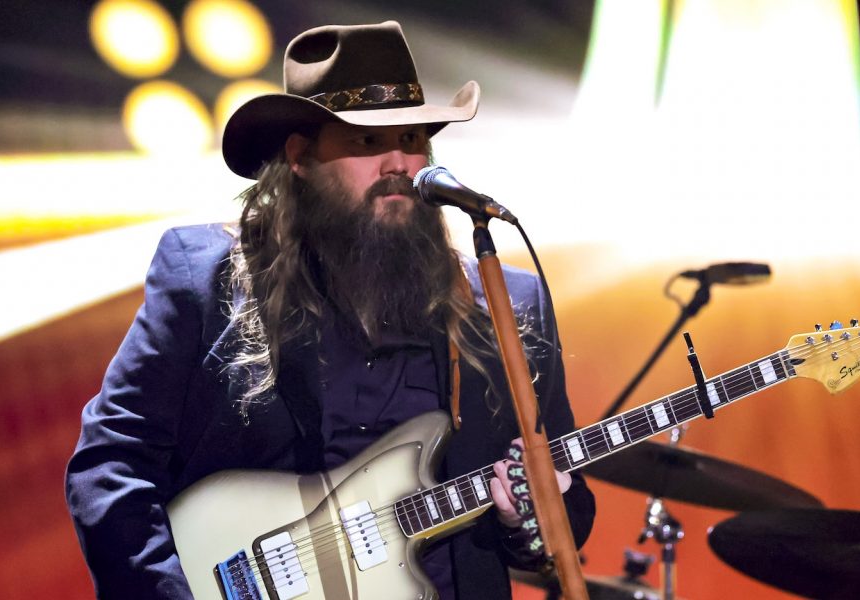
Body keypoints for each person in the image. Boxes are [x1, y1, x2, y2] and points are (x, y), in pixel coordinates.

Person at [65, 20, 595, 599]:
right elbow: (110, 469)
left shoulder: (504, 303)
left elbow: (565, 511)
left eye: (414, 138)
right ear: (300, 156)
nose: (399, 162)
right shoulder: (206, 280)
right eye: (367, 142)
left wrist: (527, 518)